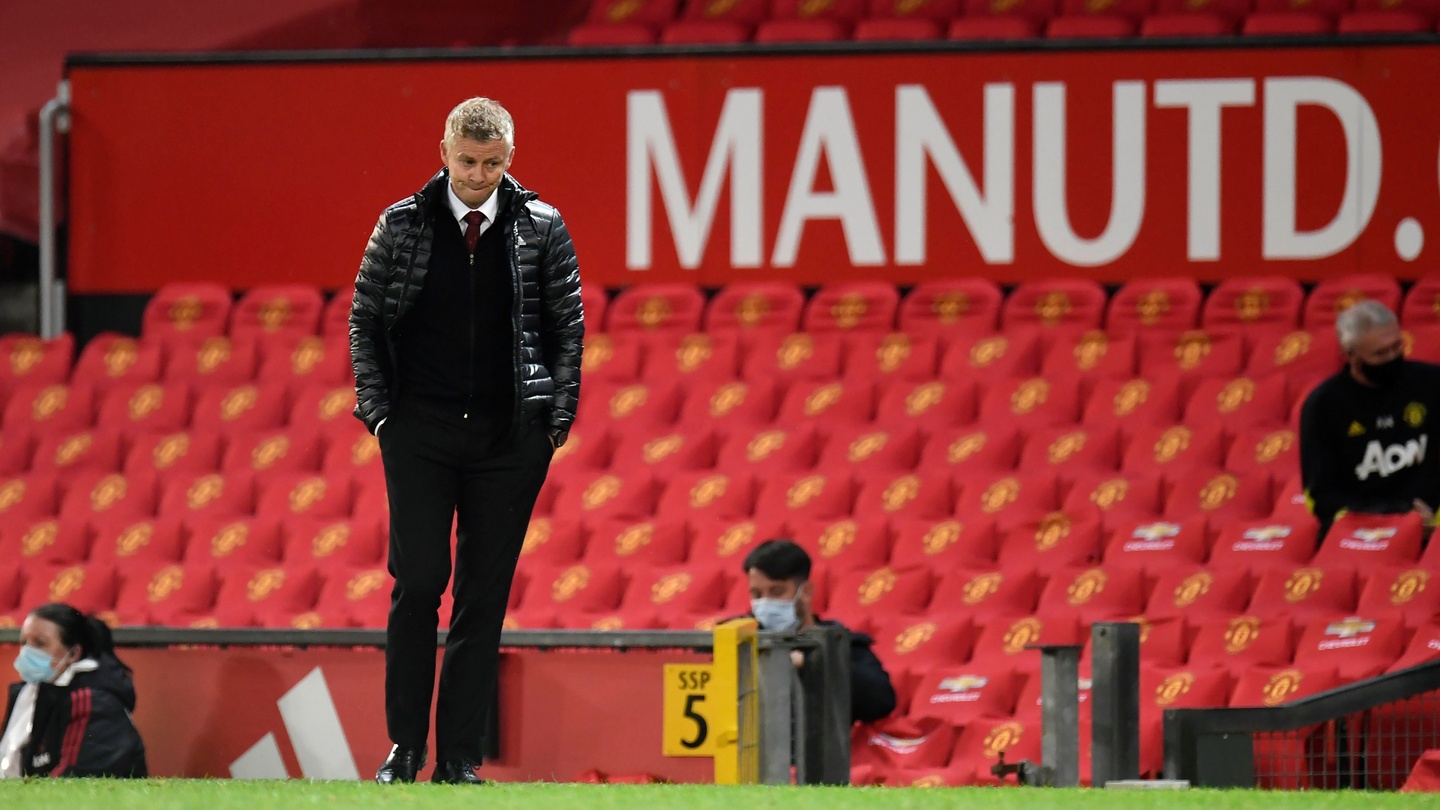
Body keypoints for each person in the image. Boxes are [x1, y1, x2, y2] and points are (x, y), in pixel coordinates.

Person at [350, 97, 584, 784]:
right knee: (418, 583)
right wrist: (380, 413)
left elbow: (567, 329)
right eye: (468, 161)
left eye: (493, 162)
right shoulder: (400, 224)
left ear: (510, 156)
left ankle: (458, 760)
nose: (479, 175)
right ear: (444, 152)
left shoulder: (543, 226)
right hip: (417, 430)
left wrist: (553, 427)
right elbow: (364, 321)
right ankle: (404, 749)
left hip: (510, 438)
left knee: (483, 596)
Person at [1300, 300, 1440, 537]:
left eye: (1397, 347)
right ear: (1350, 355)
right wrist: (1396, 516)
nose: (1392, 357)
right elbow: (1319, 496)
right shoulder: (1324, 405)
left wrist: (1430, 519)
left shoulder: (1432, 384)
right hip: (1363, 530)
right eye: (1380, 354)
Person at [742, 540, 897, 724]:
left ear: (806, 591)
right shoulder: (740, 638)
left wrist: (811, 663)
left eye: (777, 591)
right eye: (757, 595)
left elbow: (881, 700)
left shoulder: (839, 644)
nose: (765, 603)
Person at [2, 604, 147, 779]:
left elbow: (74, 779)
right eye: (24, 642)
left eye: (40, 644)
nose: (27, 652)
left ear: (73, 654)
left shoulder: (93, 701)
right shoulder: (27, 692)